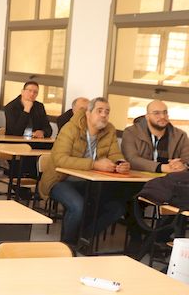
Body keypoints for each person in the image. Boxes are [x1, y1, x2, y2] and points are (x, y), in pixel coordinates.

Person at [39, 97, 130, 246]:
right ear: (88, 113)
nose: (104, 115)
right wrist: (94, 165)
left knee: (117, 208)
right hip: (61, 180)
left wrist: (120, 163)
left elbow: (115, 153)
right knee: (78, 206)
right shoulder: (70, 128)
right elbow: (60, 159)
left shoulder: (109, 129)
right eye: (99, 111)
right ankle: (67, 245)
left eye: (107, 112)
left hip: (91, 182)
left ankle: (83, 238)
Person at [122, 99, 189, 173]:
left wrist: (182, 165)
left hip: (171, 178)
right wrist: (161, 167)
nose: (162, 116)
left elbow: (186, 161)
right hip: (138, 177)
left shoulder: (180, 135)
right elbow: (131, 159)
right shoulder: (131, 132)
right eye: (156, 113)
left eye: (165, 112)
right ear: (147, 116)